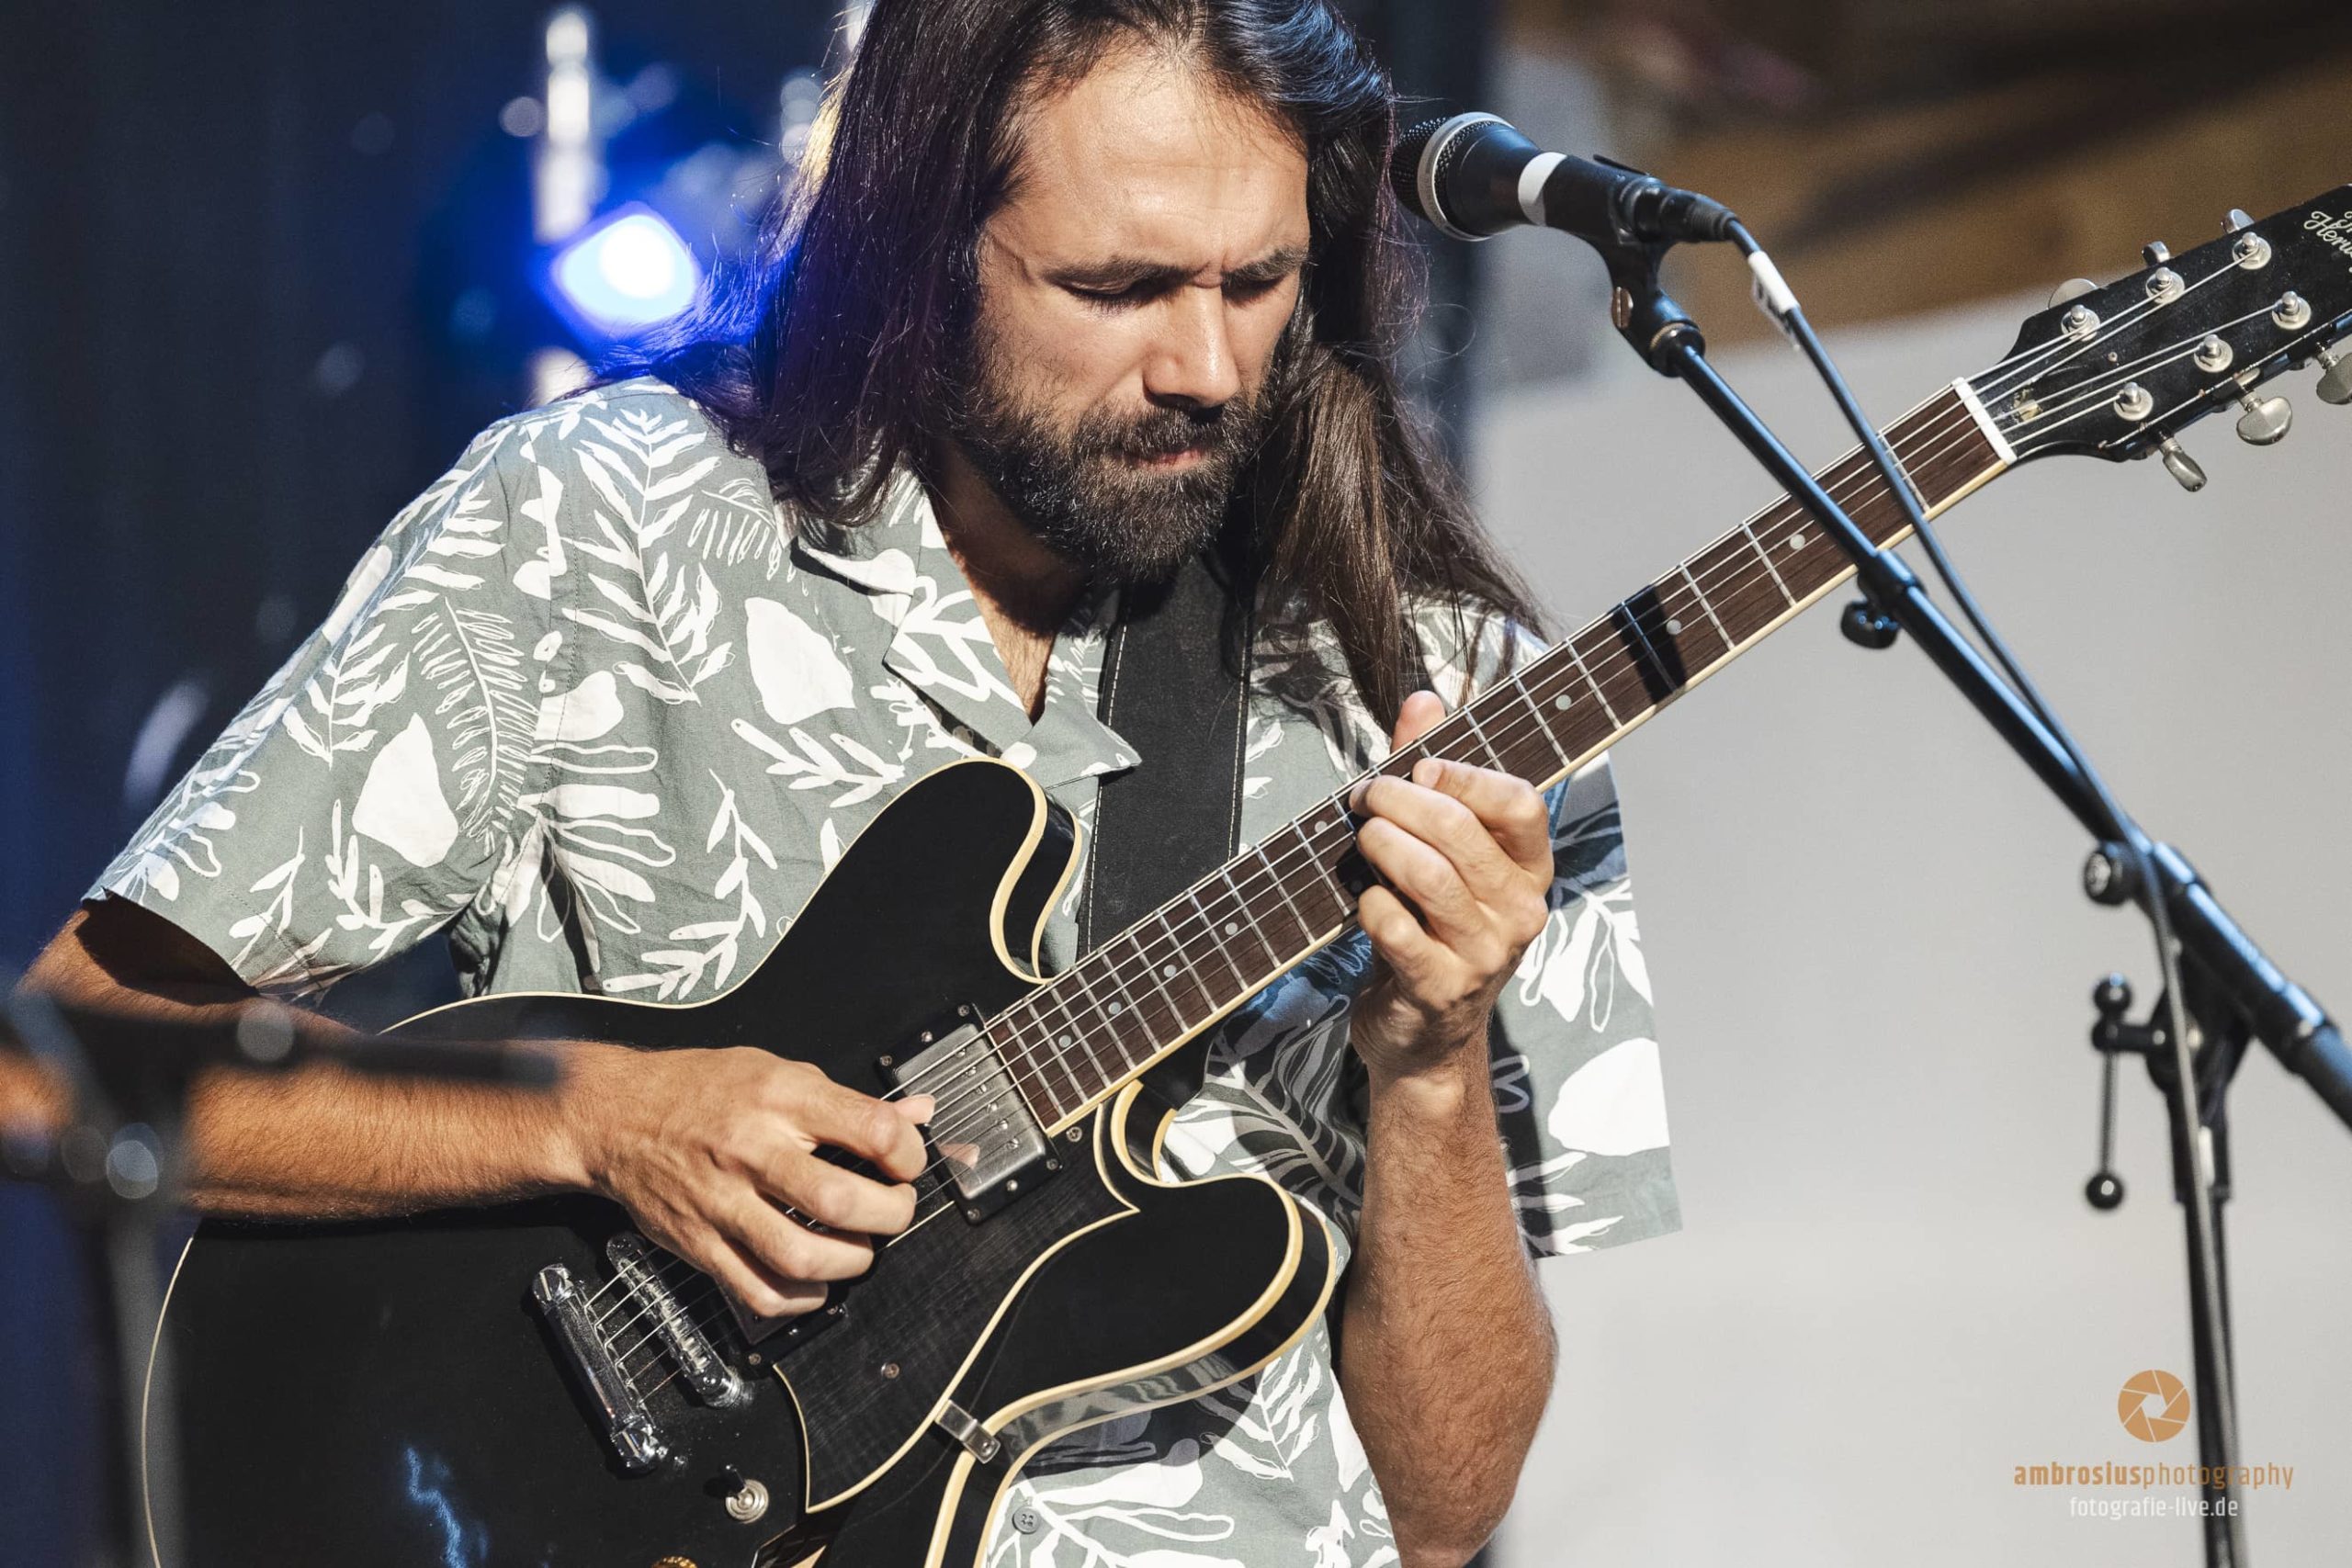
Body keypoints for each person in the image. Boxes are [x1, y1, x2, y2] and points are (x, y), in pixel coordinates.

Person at [21, 1, 1679, 1562]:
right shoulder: (599, 525)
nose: (1208, 367)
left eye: (1259, 282)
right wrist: (595, 1120)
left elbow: (1447, 1505)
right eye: (1118, 287)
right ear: (916, 251)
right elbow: (58, 1064)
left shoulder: (1442, 690)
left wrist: (1433, 1060)